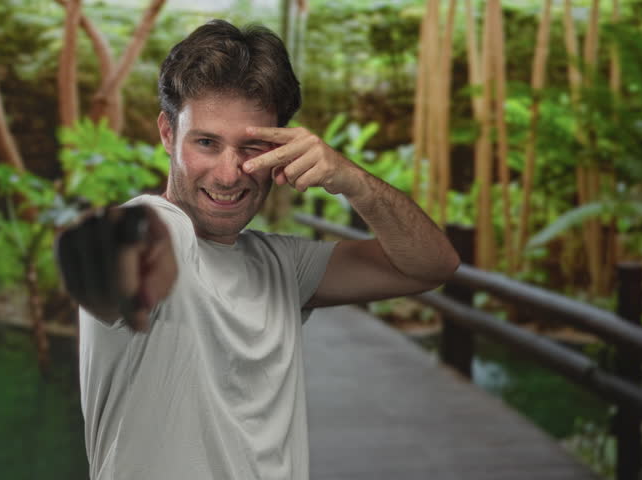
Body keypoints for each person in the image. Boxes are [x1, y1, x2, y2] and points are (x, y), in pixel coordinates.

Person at [57, 19, 460, 480]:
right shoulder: (157, 228)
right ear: (168, 134)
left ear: (283, 149)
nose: (229, 174)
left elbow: (434, 265)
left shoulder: (283, 265)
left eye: (251, 147)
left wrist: (352, 181)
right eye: (206, 142)